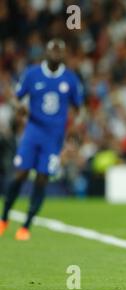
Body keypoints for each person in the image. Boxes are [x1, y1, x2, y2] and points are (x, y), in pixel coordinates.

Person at [0, 39, 83, 240]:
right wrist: (17, 108)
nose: (55, 54)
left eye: (59, 51)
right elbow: (15, 97)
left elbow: (78, 108)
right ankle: (4, 218)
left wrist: (72, 133)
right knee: (20, 173)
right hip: (33, 131)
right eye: (52, 50)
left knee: (42, 177)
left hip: (54, 136)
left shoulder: (70, 79)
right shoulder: (32, 73)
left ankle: (26, 226)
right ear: (45, 53)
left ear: (64, 54)